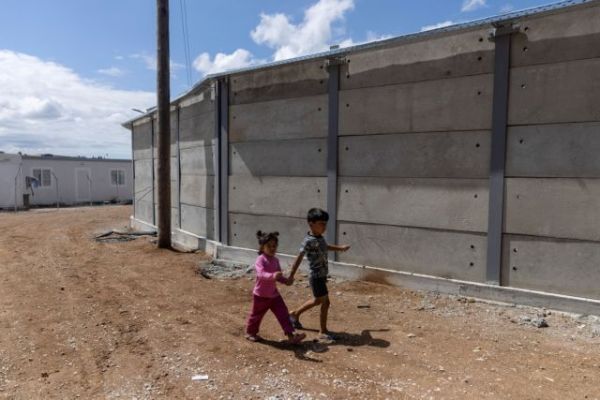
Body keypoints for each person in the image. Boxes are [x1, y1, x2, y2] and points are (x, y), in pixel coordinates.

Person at [288, 208, 350, 342]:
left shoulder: (319, 238)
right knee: (324, 302)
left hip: (321, 275)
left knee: (318, 301)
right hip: (316, 276)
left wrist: (340, 248)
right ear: (311, 224)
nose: (324, 226)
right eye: (321, 223)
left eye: (325, 223)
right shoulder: (308, 241)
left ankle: (295, 314)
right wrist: (291, 274)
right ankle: (322, 331)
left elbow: (325, 247)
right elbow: (299, 257)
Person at [245, 230, 306, 344]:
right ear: (262, 247)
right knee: (256, 315)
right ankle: (250, 333)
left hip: (274, 295)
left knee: (283, 313)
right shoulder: (260, 259)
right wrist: (272, 275)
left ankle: (291, 335)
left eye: (274, 246)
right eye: (269, 246)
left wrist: (286, 281)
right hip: (261, 295)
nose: (272, 248)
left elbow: (278, 277)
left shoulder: (275, 260)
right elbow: (261, 274)